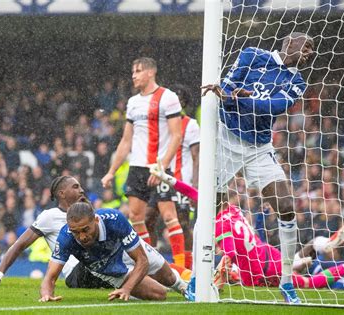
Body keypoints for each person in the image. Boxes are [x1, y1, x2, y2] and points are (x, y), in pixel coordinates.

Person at [149, 162, 344, 301]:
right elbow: (192, 192)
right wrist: (166, 177)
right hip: (268, 254)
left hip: (259, 272)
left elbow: (229, 254)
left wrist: (218, 280)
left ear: (212, 203)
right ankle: (319, 248)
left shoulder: (219, 223)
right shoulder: (232, 209)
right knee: (298, 263)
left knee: (309, 282)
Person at [201, 32, 315, 303]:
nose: (311, 52)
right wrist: (229, 97)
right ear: (289, 42)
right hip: (226, 138)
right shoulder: (252, 54)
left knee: (286, 205)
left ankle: (287, 283)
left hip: (258, 148)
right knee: (209, 209)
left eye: (313, 48)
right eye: (307, 45)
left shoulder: (297, 81)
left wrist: (240, 100)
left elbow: (275, 107)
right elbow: (228, 85)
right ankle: (199, 278)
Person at [101, 57, 186, 267]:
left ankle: (183, 268)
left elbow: (177, 136)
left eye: (138, 71)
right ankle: (148, 264)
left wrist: (161, 166)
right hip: (137, 167)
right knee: (136, 216)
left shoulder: (168, 97)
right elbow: (126, 140)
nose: (134, 75)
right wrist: (112, 171)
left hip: (159, 167)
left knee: (169, 216)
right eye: (133, 71)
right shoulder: (133, 102)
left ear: (150, 72)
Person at [0, 175, 111, 289]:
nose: (81, 190)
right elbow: (19, 245)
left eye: (80, 187)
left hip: (95, 265)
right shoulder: (49, 216)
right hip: (77, 273)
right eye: (75, 187)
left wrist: (91, 212)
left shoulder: (89, 213)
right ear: (62, 193)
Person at [39, 202, 188, 302]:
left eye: (85, 230)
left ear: (96, 220)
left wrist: (128, 287)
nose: (82, 237)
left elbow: (142, 261)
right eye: (76, 232)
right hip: (111, 270)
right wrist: (46, 294)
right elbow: (50, 277)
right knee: (160, 294)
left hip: (127, 250)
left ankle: (184, 286)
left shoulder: (114, 219)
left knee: (169, 278)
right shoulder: (66, 237)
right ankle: (136, 290)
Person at [146, 84, 200, 269]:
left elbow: (196, 156)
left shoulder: (191, 124)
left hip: (180, 182)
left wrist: (195, 185)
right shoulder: (162, 125)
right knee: (148, 218)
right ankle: (151, 263)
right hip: (159, 179)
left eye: (178, 99)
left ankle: (187, 268)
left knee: (183, 224)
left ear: (184, 103)